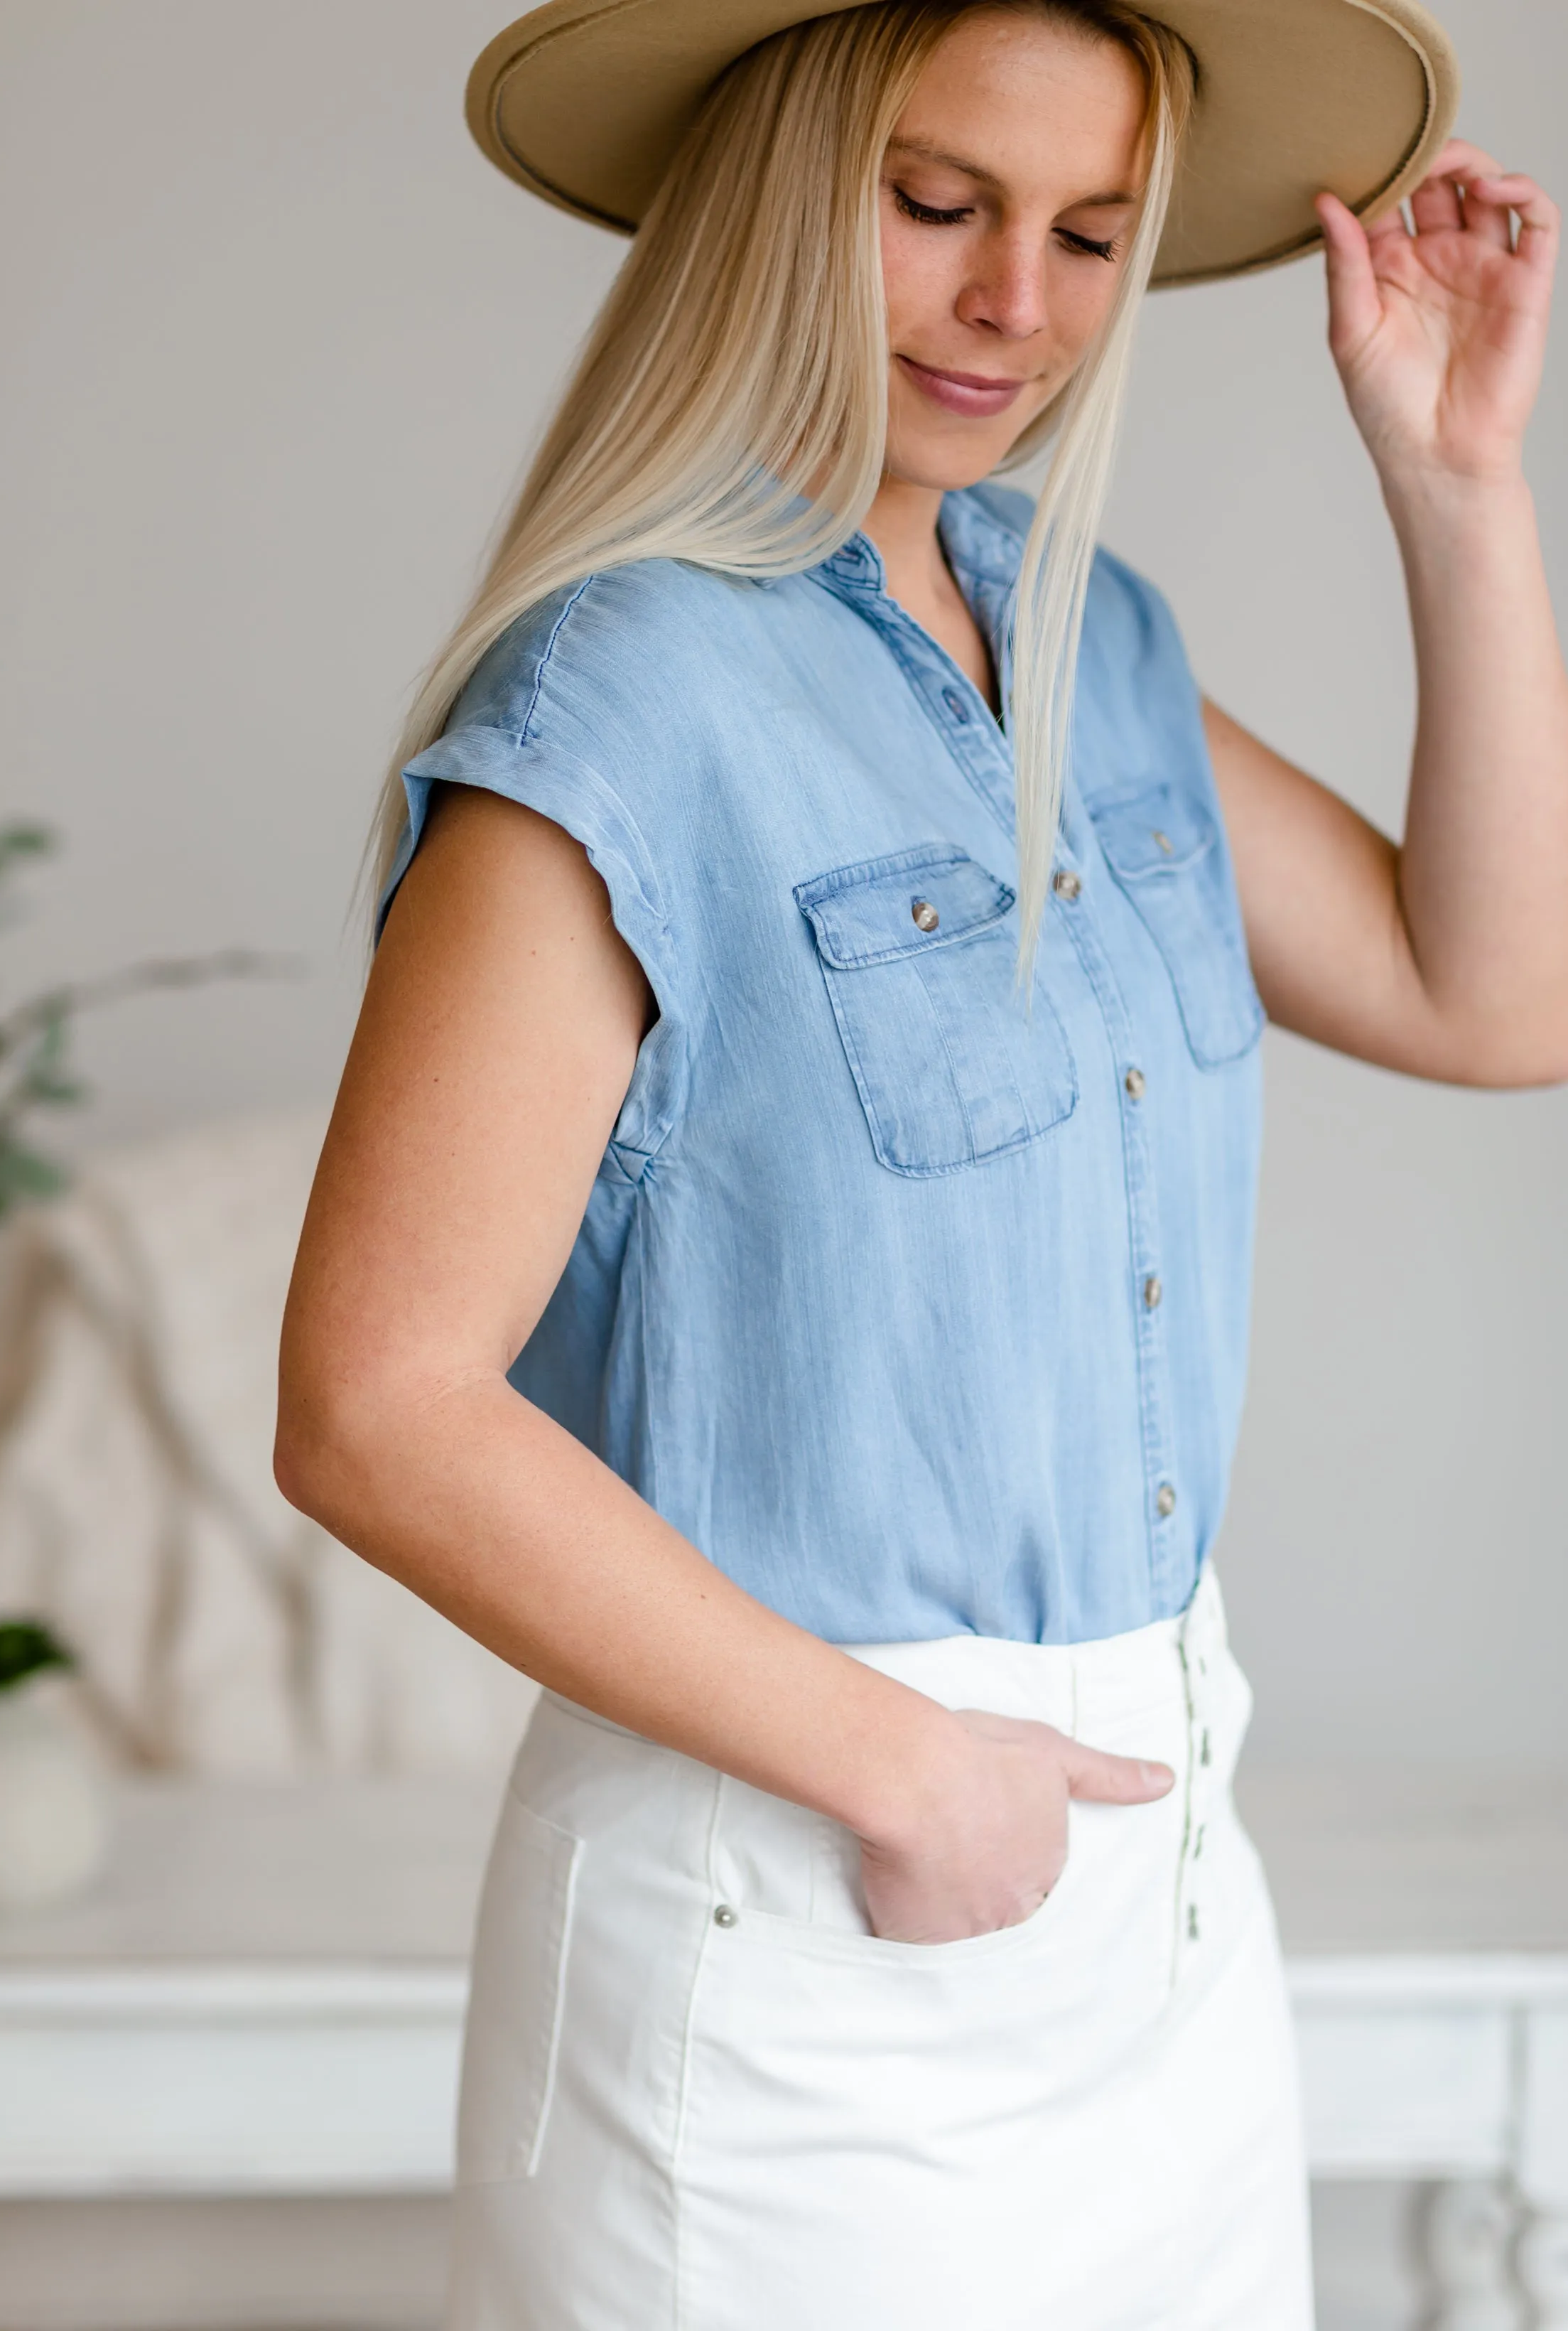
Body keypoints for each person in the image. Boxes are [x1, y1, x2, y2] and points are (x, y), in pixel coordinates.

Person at [275, 0, 1565, 2320]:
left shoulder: (1094, 644)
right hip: (794, 1948)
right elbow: (376, 1402)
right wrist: (902, 1768)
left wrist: (1457, 492)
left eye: (1086, 231)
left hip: (1164, 1937)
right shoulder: (620, 704)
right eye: (933, 202)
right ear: (776, 195)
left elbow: (1494, 999)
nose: (1017, 305)